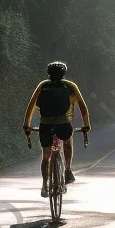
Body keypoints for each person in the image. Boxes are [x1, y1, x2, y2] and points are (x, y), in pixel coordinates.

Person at [22, 61, 91, 197]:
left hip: (45, 124)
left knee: (46, 156)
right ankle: (67, 170)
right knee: (67, 141)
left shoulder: (43, 86)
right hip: (63, 123)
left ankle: (45, 185)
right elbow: (82, 108)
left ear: (49, 74)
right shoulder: (70, 86)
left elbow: (31, 107)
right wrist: (87, 125)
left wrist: (27, 125)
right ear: (63, 74)